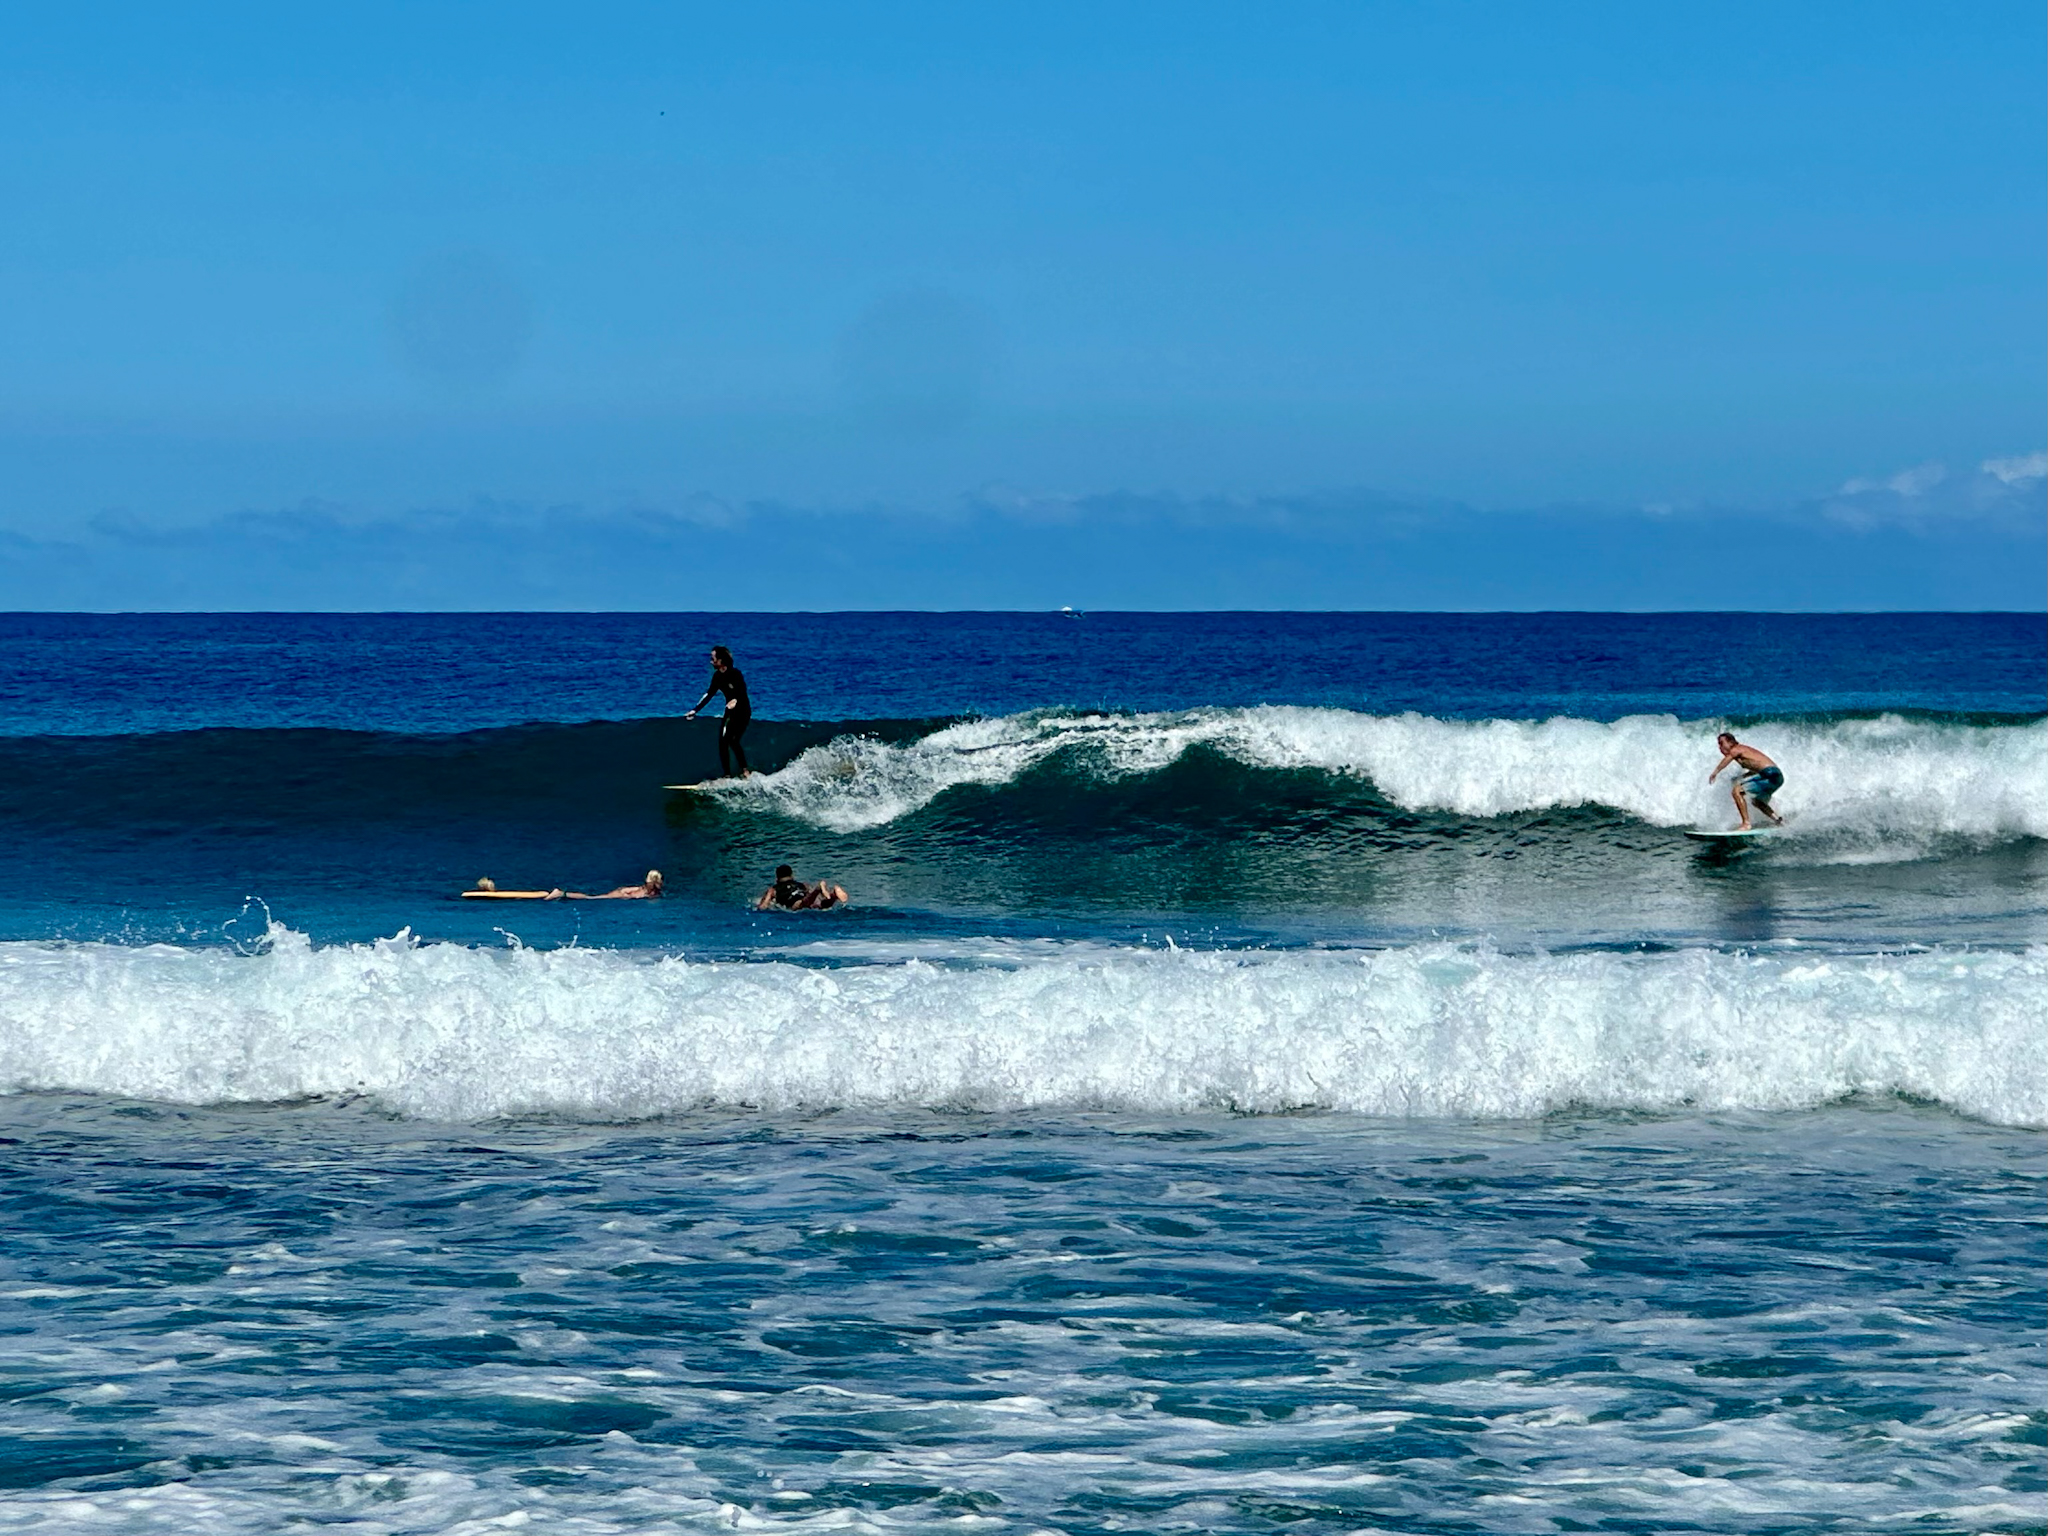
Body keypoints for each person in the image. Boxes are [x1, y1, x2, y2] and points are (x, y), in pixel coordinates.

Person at [685, 645, 752, 778]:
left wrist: (736, 700)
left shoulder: (735, 674)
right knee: (723, 742)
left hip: (743, 711)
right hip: (730, 712)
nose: (711, 661)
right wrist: (695, 710)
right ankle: (727, 775)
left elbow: (742, 690)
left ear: (721, 661)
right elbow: (709, 694)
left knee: (733, 740)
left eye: (713, 659)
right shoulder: (717, 677)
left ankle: (745, 771)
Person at [1708, 733, 1785, 830]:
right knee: (1757, 801)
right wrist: (1742, 777)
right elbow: (1757, 769)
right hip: (1777, 777)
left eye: (1721, 743)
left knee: (1737, 791)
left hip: (1770, 774)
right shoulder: (1744, 752)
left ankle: (1746, 824)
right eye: (1718, 745)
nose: (1720, 747)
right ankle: (1778, 821)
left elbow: (1727, 760)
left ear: (1731, 742)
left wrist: (1715, 772)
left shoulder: (1736, 749)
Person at [757, 864, 849, 911]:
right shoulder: (802, 884)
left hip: (794, 902)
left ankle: (818, 888)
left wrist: (760, 907)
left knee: (801, 904)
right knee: (822, 905)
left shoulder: (773, 889)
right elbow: (809, 891)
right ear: (791, 875)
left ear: (777, 877)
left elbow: (763, 906)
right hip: (804, 896)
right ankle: (833, 894)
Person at [548, 870, 664, 901]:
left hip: (621, 894)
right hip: (619, 895)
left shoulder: (652, 892)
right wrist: (625, 895)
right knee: (591, 898)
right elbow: (625, 890)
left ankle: (562, 894)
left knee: (592, 897)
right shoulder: (644, 890)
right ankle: (561, 893)